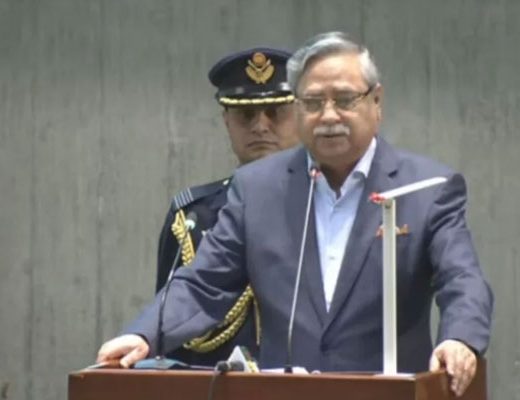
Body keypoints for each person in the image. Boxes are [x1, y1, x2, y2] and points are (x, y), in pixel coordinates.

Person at [98, 32, 493, 397]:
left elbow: (462, 279)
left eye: (345, 100)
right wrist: (144, 335)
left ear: (376, 102)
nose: (329, 116)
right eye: (313, 103)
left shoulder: (427, 187)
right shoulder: (257, 188)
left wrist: (459, 338)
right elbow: (204, 285)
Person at [154, 48, 299, 366]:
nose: (260, 126)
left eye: (275, 112)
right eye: (246, 115)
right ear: (226, 122)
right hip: (214, 384)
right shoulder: (193, 215)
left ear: (301, 116)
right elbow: (169, 333)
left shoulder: (327, 207)